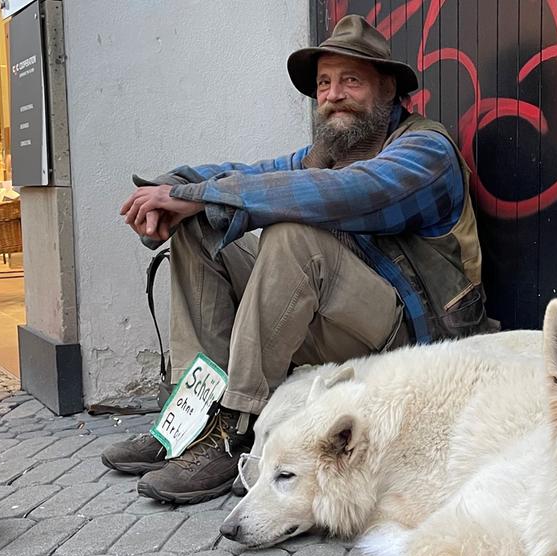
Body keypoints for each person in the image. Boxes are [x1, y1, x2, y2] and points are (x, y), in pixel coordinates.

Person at [99, 14, 495, 505]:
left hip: (416, 335)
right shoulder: (324, 155)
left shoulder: (424, 150)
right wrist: (170, 193)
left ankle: (234, 429)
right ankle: (193, 414)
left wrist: (203, 195)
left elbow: (350, 193)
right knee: (202, 226)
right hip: (338, 322)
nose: (332, 94)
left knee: (289, 235)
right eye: (324, 83)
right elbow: (243, 174)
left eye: (351, 80)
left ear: (388, 90)